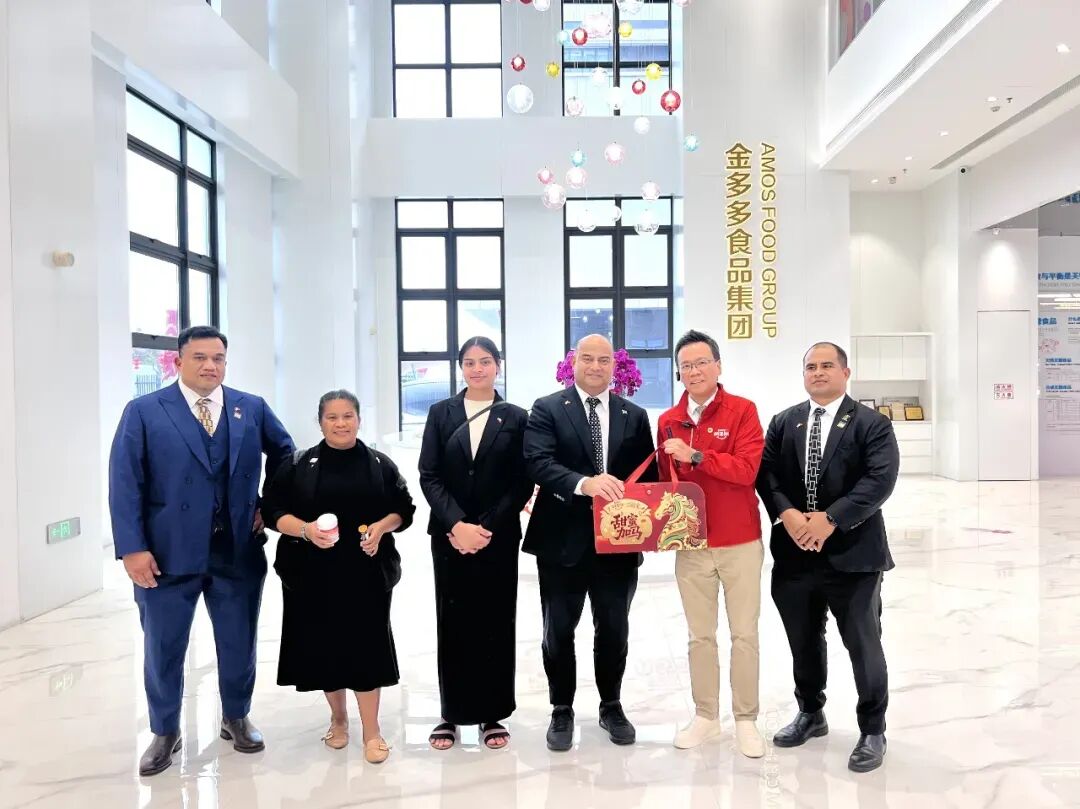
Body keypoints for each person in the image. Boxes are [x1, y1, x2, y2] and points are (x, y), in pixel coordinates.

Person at [108, 325, 295, 777]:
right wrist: (132, 548)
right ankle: (164, 730)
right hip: (166, 555)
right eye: (200, 358)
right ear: (178, 361)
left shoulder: (250, 407)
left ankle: (236, 716)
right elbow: (124, 483)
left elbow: (286, 454)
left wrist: (267, 507)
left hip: (236, 551)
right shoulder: (144, 412)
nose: (210, 366)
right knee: (162, 645)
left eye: (218, 358)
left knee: (238, 640)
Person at [756, 342, 900, 773]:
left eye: (826, 366)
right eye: (810, 367)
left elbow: (880, 480)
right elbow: (767, 474)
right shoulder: (785, 421)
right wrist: (788, 513)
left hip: (854, 555)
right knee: (803, 641)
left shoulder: (872, 423)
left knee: (863, 643)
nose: (817, 373)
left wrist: (831, 520)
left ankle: (873, 729)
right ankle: (810, 712)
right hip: (795, 553)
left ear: (845, 372)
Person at [261, 390, 415, 764]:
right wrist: (306, 530)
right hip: (312, 574)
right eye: (332, 417)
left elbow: (403, 509)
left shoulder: (379, 464)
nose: (341, 423)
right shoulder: (299, 465)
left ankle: (373, 732)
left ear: (359, 420)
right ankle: (339, 719)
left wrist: (381, 528)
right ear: (320, 422)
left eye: (348, 416)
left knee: (368, 649)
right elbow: (272, 511)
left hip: (366, 573)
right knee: (324, 648)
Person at [523, 333, 657, 752]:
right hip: (561, 541)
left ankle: (611, 705)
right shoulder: (547, 408)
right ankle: (561, 708)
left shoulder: (634, 415)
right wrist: (585, 483)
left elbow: (647, 477)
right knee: (558, 630)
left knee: (614, 629)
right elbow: (538, 462)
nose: (595, 366)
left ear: (614, 366)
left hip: (619, 542)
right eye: (587, 358)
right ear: (574, 362)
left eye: (603, 360)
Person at [418, 337, 533, 750]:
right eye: (469, 362)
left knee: (495, 622)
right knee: (452, 622)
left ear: (498, 366)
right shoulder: (441, 413)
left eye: (485, 361)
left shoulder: (516, 417)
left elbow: (522, 480)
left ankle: (492, 713)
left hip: (496, 538)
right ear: (460, 368)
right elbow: (429, 474)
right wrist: (456, 523)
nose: (477, 369)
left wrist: (485, 527)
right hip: (449, 537)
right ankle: (451, 713)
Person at [656, 330, 766, 758]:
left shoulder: (743, 410)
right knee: (700, 635)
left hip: (739, 540)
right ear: (679, 373)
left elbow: (747, 470)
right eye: (686, 365)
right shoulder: (668, 420)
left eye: (702, 362)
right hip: (691, 544)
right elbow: (665, 484)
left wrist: (697, 456)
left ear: (718, 366)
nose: (695, 371)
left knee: (744, 634)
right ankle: (706, 715)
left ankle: (746, 719)